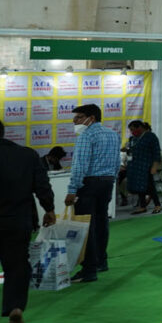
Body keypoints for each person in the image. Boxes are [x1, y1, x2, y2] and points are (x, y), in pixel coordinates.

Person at [0, 116, 55, 323]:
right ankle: (14, 308)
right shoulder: (27, 155)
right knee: (17, 266)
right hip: (17, 221)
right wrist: (49, 209)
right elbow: (42, 185)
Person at [65, 104, 120, 283]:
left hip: (89, 184)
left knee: (85, 225)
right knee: (101, 222)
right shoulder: (113, 134)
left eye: (79, 117)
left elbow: (80, 165)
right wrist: (111, 180)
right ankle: (101, 261)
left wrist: (72, 189)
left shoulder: (86, 136)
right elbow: (117, 162)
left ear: (92, 118)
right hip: (107, 182)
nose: (75, 121)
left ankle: (89, 269)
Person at [125, 120, 162, 214]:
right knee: (139, 186)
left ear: (140, 127)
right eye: (130, 130)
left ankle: (157, 205)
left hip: (147, 165)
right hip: (135, 166)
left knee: (150, 186)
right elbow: (131, 150)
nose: (132, 132)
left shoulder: (151, 136)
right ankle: (142, 206)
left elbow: (156, 152)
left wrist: (154, 166)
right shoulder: (133, 138)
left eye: (133, 129)